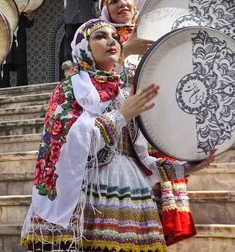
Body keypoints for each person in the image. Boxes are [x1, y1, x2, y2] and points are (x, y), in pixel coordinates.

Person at [20, 19, 216, 251]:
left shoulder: (122, 95)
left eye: (114, 36)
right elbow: (68, 145)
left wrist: (186, 168)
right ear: (84, 48)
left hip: (129, 193)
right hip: (86, 195)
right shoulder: (69, 89)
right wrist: (121, 115)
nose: (111, 40)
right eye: (100, 36)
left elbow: (140, 157)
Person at [101, 0, 199, 245]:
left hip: (157, 125)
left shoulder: (155, 35)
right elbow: (104, 88)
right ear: (104, 10)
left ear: (136, 4)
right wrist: (124, 52)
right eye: (113, 0)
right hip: (123, 135)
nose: (122, 3)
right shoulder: (101, 41)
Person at [0, 10, 34, 87]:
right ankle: (4, 87)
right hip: (4, 35)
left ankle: (22, 87)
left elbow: (27, 23)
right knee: (4, 60)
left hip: (18, 35)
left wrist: (30, 18)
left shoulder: (21, 5)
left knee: (20, 59)